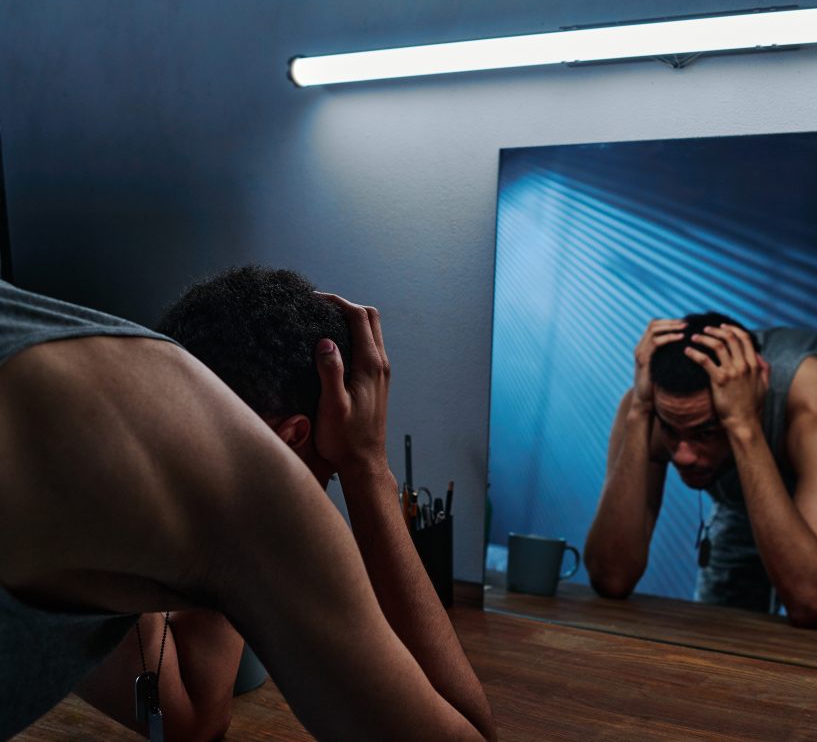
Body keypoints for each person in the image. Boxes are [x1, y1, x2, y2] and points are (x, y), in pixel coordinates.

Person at [0, 274, 496, 740]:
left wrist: (239, 551)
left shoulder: (96, 407)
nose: (315, 500)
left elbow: (190, 718)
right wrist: (365, 463)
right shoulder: (251, 479)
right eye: (325, 480)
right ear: (292, 437)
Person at [584, 312, 817, 631]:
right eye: (671, 431)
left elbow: (811, 602)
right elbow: (611, 577)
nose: (682, 457)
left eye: (707, 433)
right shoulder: (651, 406)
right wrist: (639, 413)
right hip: (745, 492)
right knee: (719, 630)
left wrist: (743, 426)